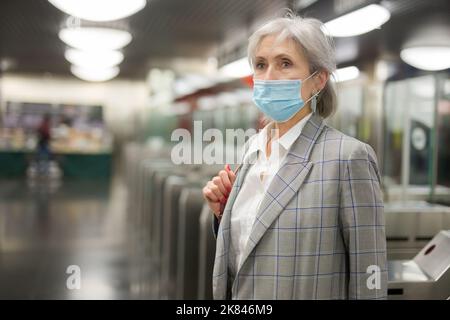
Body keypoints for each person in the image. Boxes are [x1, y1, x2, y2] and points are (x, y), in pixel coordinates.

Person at [202, 13, 387, 299]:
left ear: (318, 80)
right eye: (261, 65)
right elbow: (249, 252)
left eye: (284, 63)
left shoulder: (348, 158)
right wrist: (224, 213)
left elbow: (370, 272)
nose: (268, 76)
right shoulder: (252, 148)